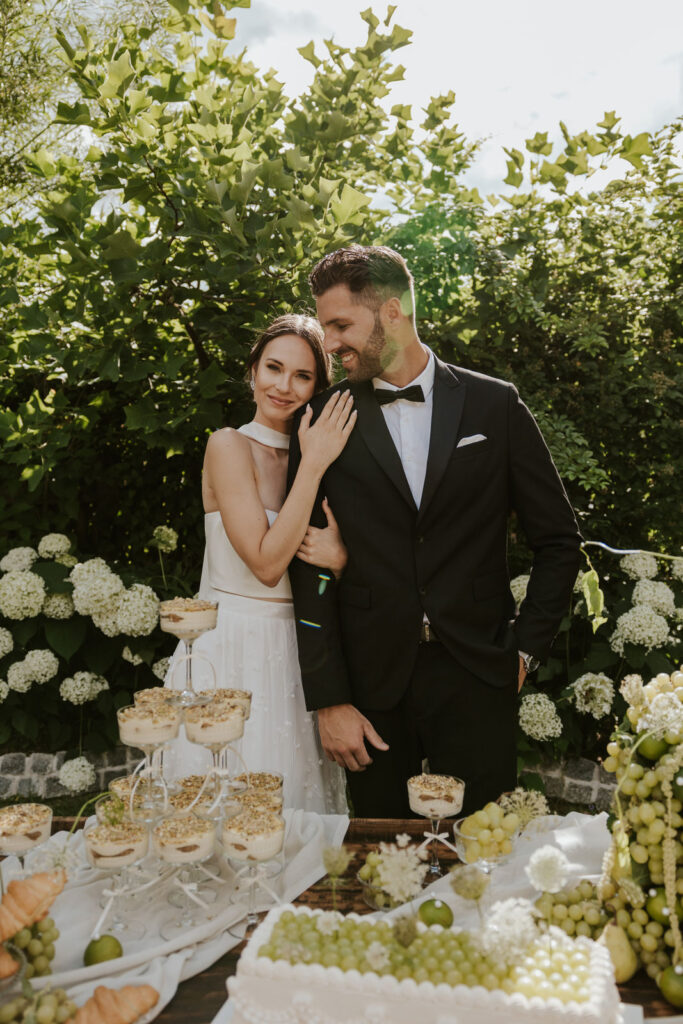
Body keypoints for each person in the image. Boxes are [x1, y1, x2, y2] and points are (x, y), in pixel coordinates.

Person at [287, 245, 583, 818]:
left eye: (341, 325)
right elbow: (310, 571)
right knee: (379, 857)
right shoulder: (321, 419)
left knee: (484, 851)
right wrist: (330, 699)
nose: (330, 343)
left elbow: (558, 541)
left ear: (391, 312)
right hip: (370, 688)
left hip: (478, 673)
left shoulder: (494, 405)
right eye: (326, 328)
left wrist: (524, 651)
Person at [164, 314, 354, 814]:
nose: (284, 386)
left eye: (302, 376)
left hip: (302, 652)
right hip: (231, 648)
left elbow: (345, 565)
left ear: (317, 388)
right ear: (253, 370)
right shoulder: (229, 445)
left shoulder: (327, 454)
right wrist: (313, 464)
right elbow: (267, 565)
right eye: (274, 367)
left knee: (294, 806)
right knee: (220, 806)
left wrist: (340, 563)